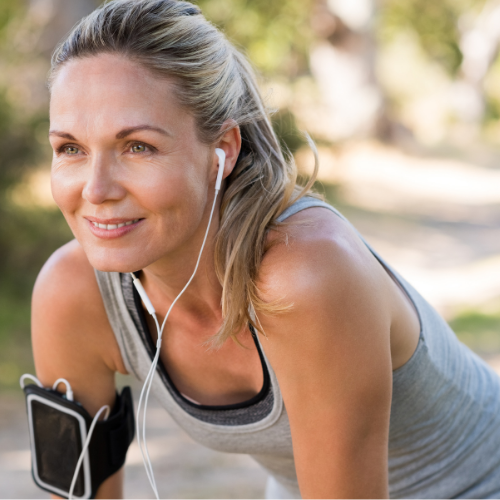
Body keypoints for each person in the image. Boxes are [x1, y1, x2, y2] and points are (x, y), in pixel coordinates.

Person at [31, 0, 500, 498]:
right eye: (71, 149)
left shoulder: (305, 275)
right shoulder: (72, 293)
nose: (96, 189)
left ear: (224, 150)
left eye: (138, 146)